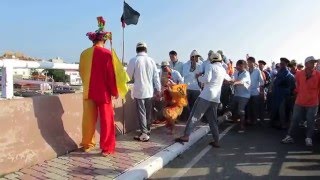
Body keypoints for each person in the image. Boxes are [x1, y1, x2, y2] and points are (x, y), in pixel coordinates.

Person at [79, 16, 119, 156]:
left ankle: (87, 144)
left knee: (88, 119)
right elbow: (111, 75)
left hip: (88, 91)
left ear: (93, 40)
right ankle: (106, 148)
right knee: (107, 120)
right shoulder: (107, 54)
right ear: (104, 40)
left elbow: (82, 73)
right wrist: (115, 91)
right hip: (103, 92)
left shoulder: (84, 54)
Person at [175, 53, 231, 147]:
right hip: (216, 98)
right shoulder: (222, 69)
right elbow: (229, 79)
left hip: (206, 95)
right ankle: (216, 140)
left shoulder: (210, 66)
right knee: (212, 120)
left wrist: (199, 77)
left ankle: (186, 136)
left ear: (211, 59)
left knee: (194, 116)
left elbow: (207, 79)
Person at [281, 56, 320, 147]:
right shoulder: (299, 74)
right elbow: (297, 86)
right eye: (312, 62)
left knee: (310, 121)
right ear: (306, 64)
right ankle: (290, 136)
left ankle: (308, 138)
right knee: (295, 120)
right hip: (300, 102)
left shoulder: (318, 75)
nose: (314, 64)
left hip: (313, 103)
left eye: (314, 62)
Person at [127, 42, 161, 142]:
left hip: (139, 91)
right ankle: (147, 130)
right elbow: (156, 77)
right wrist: (158, 89)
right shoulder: (151, 60)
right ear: (146, 50)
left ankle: (144, 134)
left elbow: (127, 76)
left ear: (137, 50)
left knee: (141, 112)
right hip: (149, 91)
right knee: (148, 112)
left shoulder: (134, 60)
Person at [270, 58, 295, 128]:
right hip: (277, 94)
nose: (281, 65)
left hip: (283, 95)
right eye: (281, 63)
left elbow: (279, 82)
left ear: (286, 64)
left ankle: (283, 124)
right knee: (277, 109)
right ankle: (278, 122)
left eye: (283, 64)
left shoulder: (286, 73)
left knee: (282, 110)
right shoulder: (280, 71)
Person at [231, 60, 251, 132]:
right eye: (237, 65)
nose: (238, 67)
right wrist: (229, 81)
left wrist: (235, 82)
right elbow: (232, 78)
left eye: (240, 65)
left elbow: (242, 81)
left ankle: (242, 127)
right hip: (237, 94)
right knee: (233, 107)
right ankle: (235, 121)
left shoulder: (246, 74)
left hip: (244, 95)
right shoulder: (236, 72)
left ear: (244, 66)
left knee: (241, 111)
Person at [246, 57, 264, 125]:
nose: (248, 64)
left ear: (253, 62)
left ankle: (255, 120)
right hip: (247, 92)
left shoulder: (257, 71)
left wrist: (261, 92)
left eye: (249, 62)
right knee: (248, 107)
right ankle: (249, 119)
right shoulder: (247, 70)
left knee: (255, 107)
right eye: (247, 62)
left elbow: (261, 82)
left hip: (255, 92)